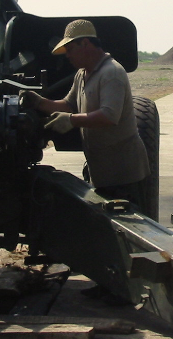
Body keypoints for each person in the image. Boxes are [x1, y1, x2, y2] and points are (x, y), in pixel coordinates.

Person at [21, 19, 151, 209]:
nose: (67, 56)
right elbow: (68, 105)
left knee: (126, 229)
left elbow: (109, 116)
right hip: (102, 171)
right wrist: (39, 102)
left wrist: (72, 121)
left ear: (86, 43)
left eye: (70, 49)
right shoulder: (82, 74)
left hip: (123, 175)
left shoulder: (111, 73)